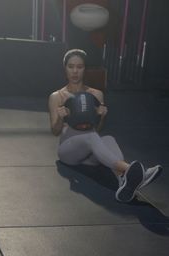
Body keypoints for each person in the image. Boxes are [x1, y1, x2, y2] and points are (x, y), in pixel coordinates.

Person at [48, 49, 162, 203]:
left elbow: (98, 129)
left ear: (85, 69)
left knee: (108, 138)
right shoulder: (57, 96)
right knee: (91, 137)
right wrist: (61, 118)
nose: (75, 71)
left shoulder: (97, 94)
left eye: (79, 67)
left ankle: (124, 182)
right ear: (65, 68)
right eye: (71, 66)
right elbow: (55, 131)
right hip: (69, 152)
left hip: (90, 153)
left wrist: (102, 116)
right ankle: (130, 171)